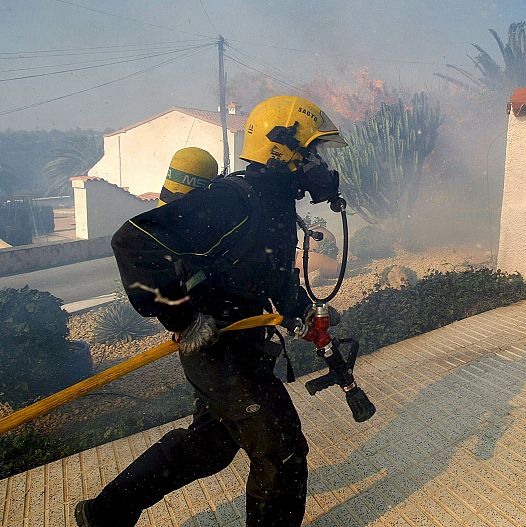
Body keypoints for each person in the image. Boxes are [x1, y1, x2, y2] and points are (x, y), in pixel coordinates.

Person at [75, 95, 347, 527]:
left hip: (242, 344)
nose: (318, 163)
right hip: (217, 349)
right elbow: (132, 241)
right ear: (281, 149)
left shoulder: (274, 205)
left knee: (211, 446)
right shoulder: (232, 200)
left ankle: (105, 512)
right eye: (311, 152)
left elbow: (270, 273)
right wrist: (182, 317)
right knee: (280, 447)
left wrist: (299, 313)